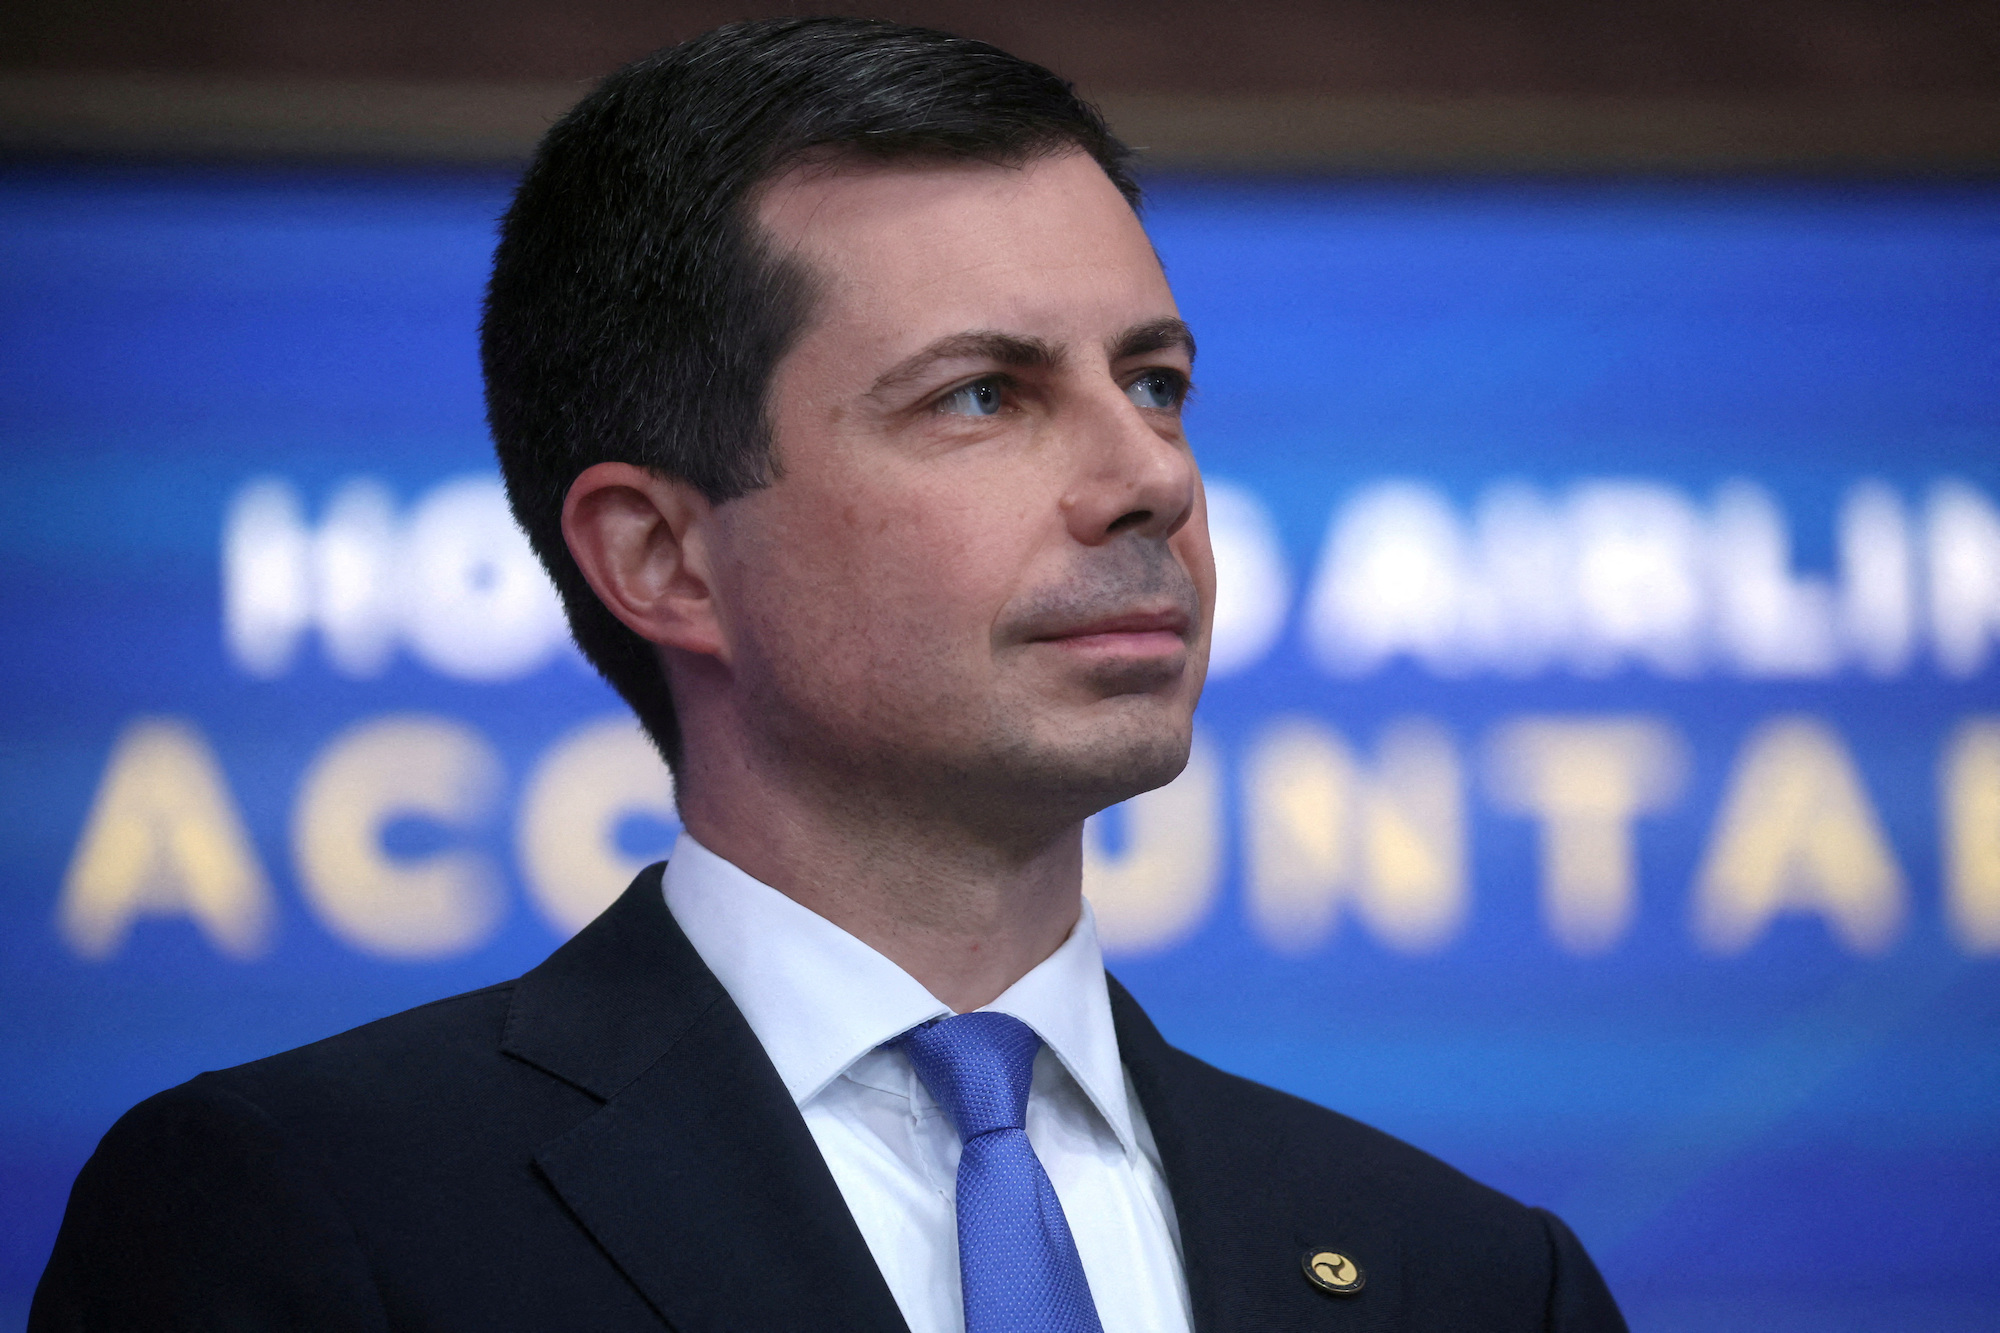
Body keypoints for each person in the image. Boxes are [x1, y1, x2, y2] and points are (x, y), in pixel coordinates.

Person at [33, 17, 1627, 1333]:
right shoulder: (313, 1215)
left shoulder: (1467, 1276)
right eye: (984, 398)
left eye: (1156, 381)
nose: (1150, 475)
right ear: (662, 557)